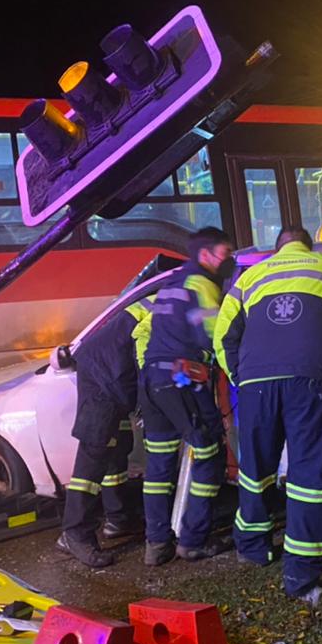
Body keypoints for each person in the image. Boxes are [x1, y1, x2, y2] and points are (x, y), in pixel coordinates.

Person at [213, 226, 322, 605]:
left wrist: (243, 377)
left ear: (277, 249)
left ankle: (253, 548)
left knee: (256, 470)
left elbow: (223, 335)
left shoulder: (251, 276)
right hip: (310, 380)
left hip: (256, 385)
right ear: (308, 245)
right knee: (309, 475)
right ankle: (301, 575)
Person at [138, 227, 236, 566]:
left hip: (152, 380)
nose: (230, 260)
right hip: (182, 378)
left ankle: (156, 544)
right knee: (210, 454)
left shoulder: (172, 283)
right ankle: (193, 541)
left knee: (160, 464)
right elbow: (216, 334)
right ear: (206, 255)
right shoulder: (201, 284)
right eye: (226, 253)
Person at [55, 293, 148, 568]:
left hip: (111, 374)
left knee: (117, 446)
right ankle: (74, 533)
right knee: (93, 454)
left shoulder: (166, 297)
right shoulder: (175, 304)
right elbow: (148, 357)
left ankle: (119, 519)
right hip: (105, 378)